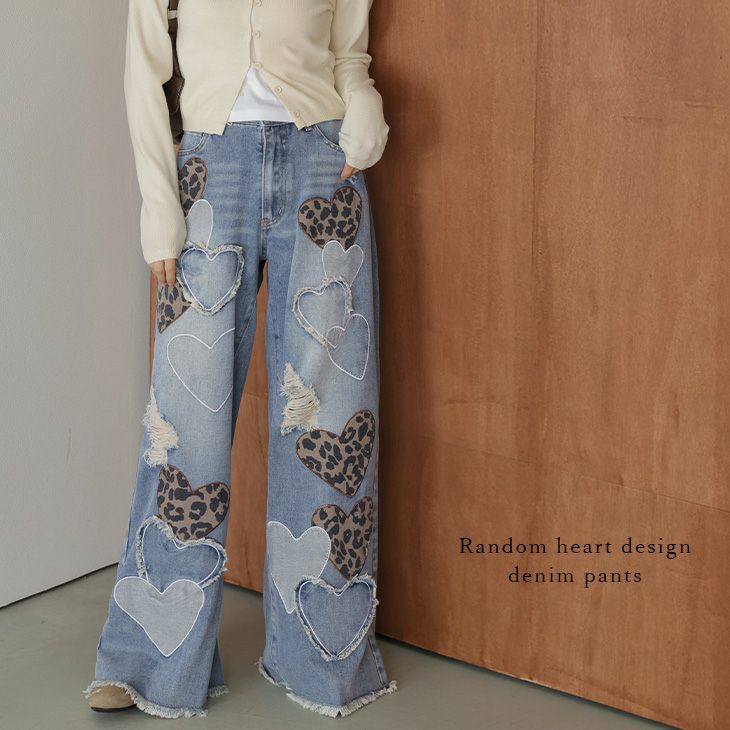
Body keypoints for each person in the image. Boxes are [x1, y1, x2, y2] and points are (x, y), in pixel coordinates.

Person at [83, 0, 394, 719]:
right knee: (182, 420)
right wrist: (158, 207)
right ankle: (147, 662)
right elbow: (144, 72)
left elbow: (350, 55)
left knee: (329, 416)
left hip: (324, 164)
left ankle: (322, 657)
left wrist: (364, 107)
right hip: (209, 167)